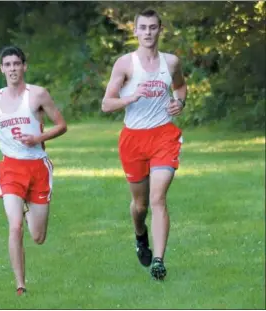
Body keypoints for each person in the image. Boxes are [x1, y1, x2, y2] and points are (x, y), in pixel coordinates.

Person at [102, 9, 187, 280]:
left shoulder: (171, 62)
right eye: (143, 28)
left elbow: (181, 86)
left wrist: (179, 102)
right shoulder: (125, 65)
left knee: (158, 198)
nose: (148, 32)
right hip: (133, 139)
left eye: (153, 27)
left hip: (164, 135)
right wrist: (130, 98)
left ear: (160, 30)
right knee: (140, 206)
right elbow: (106, 104)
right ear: (135, 31)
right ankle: (140, 235)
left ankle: (159, 261)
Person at [0, 46, 67, 295]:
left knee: (38, 236)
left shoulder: (37, 95)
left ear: (24, 66)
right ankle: (20, 285)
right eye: (8, 65)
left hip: (38, 167)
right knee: (14, 226)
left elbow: (61, 125)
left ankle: (28, 210)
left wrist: (39, 138)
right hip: (11, 167)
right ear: (1, 68)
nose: (13, 69)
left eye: (17, 64)